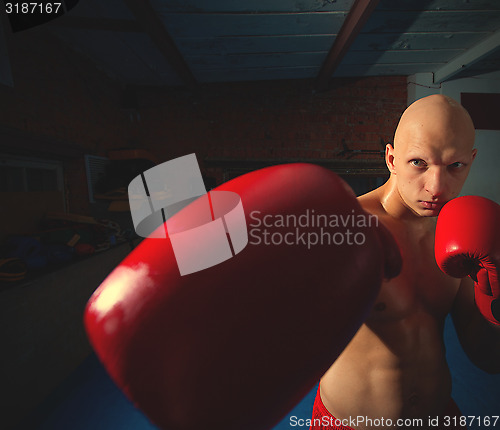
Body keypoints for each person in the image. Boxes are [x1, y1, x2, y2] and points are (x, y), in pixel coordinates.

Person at [311, 94, 500, 430]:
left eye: (455, 166)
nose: (437, 187)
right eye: (419, 163)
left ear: (471, 160)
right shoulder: (344, 225)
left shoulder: (462, 233)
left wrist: (494, 298)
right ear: (391, 158)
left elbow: (487, 357)